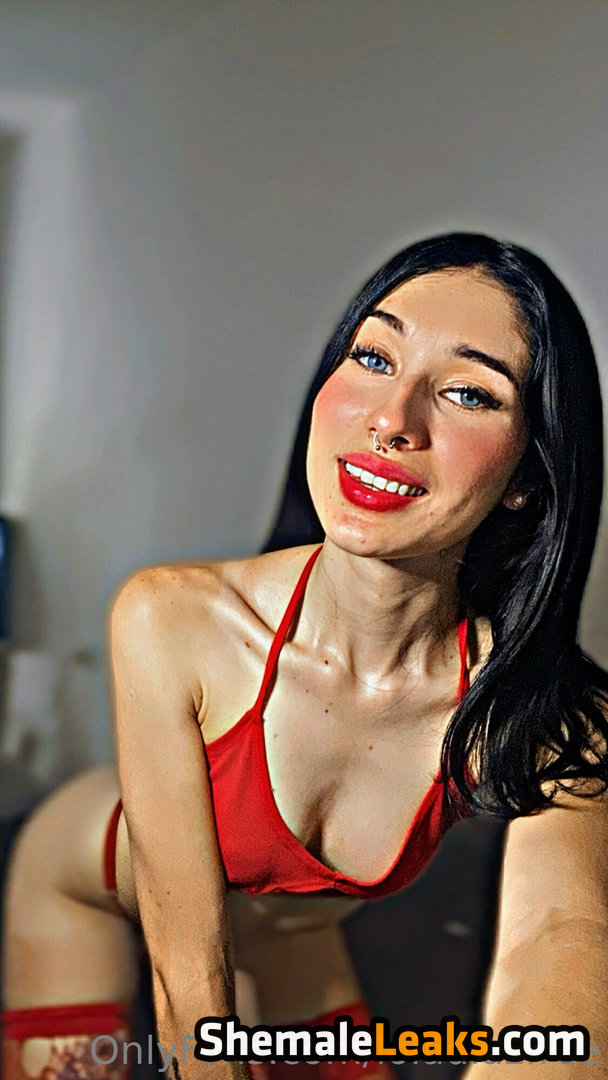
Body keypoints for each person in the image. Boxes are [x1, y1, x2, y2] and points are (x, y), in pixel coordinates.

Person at [2, 233, 608, 1080]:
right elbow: (190, 987)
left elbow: (561, 943)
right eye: (373, 357)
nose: (392, 420)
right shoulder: (172, 616)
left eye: (469, 392)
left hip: (288, 937)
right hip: (86, 897)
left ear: (527, 477)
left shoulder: (551, 717)